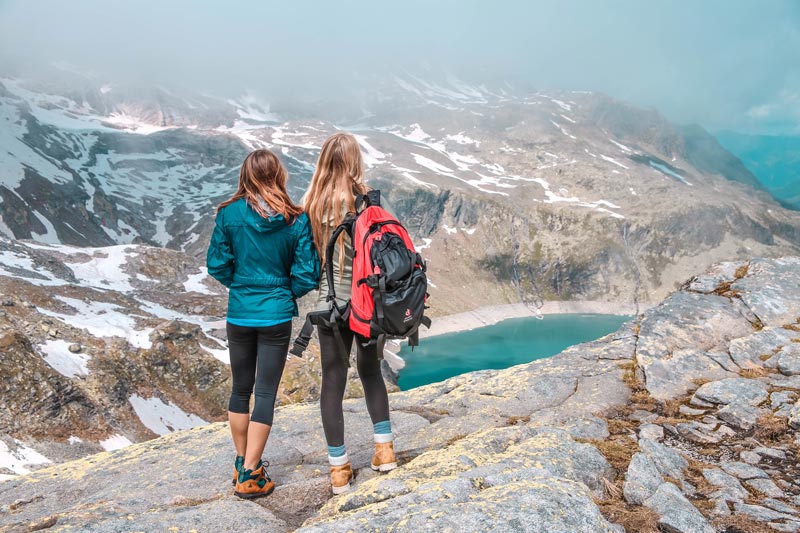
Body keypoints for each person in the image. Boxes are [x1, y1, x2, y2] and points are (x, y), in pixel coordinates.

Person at [207, 148, 319, 499]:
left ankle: (243, 461)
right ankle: (251, 473)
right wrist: (285, 291)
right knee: (266, 392)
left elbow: (217, 263)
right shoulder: (296, 219)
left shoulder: (228, 214)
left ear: (245, 175)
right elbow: (307, 272)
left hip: (240, 311)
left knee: (241, 388)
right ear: (278, 175)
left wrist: (241, 286)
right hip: (275, 315)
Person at [303, 132, 396, 495]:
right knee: (371, 370)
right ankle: (385, 451)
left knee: (332, 381)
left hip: (330, 305)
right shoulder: (366, 199)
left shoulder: (311, 203)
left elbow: (310, 260)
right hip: (367, 302)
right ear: (355, 159)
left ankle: (340, 470)